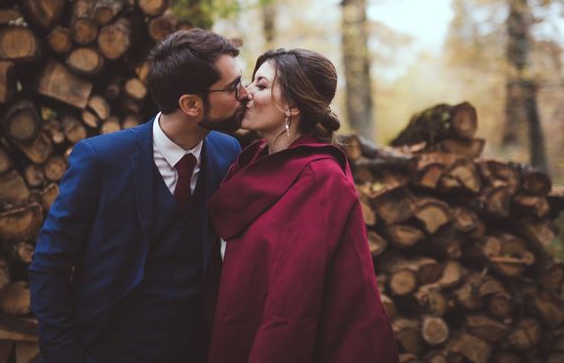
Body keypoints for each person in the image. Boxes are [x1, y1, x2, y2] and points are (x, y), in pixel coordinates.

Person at [28, 29, 249, 363]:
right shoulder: (100, 159)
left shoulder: (228, 151)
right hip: (105, 349)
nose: (245, 94)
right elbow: (49, 265)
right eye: (233, 87)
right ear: (190, 104)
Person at [205, 48, 399, 363]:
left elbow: (293, 305)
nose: (246, 94)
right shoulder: (248, 163)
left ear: (293, 105)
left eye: (262, 85)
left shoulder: (320, 180)